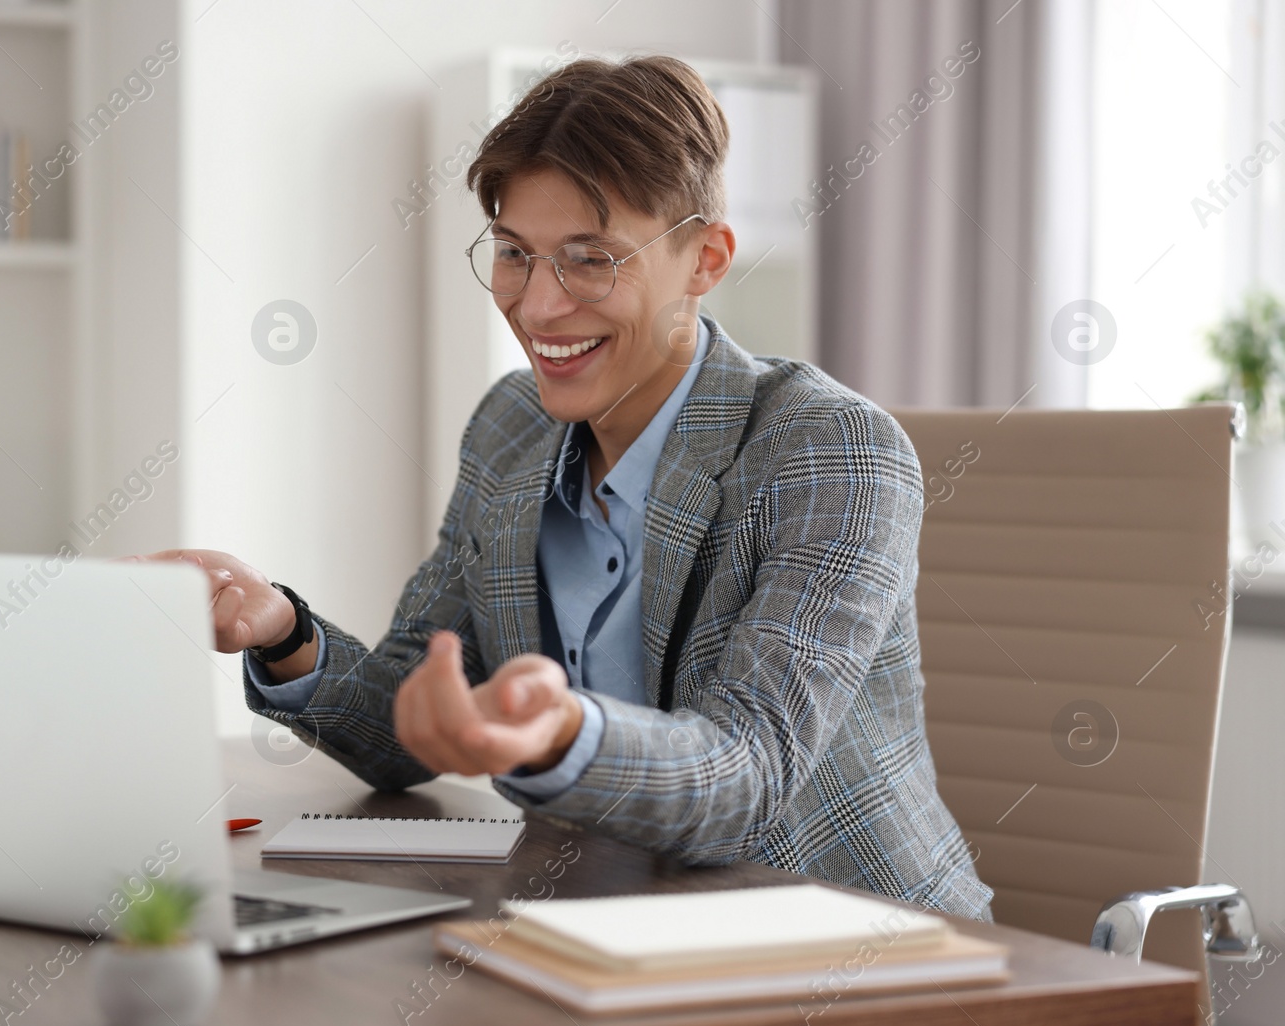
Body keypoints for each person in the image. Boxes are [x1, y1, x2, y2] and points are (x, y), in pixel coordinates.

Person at [146, 54, 992, 921]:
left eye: (590, 260)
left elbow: (749, 775)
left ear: (705, 260)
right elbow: (406, 724)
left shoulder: (827, 449)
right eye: (515, 254)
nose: (540, 307)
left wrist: (563, 733)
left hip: (857, 951)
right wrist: (283, 631)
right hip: (600, 929)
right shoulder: (511, 428)